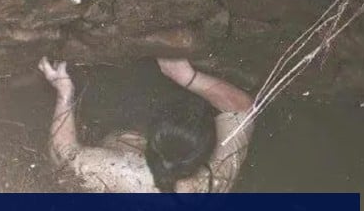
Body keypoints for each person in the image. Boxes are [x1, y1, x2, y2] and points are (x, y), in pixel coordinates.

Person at [38, 57, 254, 192]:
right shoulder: (214, 178)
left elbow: (63, 157)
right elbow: (241, 108)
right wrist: (188, 77)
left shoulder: (124, 172)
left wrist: (65, 93)